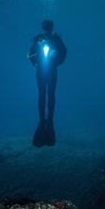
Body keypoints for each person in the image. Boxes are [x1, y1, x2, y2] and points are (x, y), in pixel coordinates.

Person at [27, 19, 67, 147]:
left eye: (47, 27)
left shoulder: (55, 39)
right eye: (46, 27)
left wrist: (36, 61)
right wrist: (35, 60)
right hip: (46, 70)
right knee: (47, 94)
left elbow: (63, 54)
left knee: (46, 94)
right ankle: (46, 120)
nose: (46, 30)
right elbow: (30, 54)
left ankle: (46, 120)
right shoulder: (41, 39)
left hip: (46, 70)